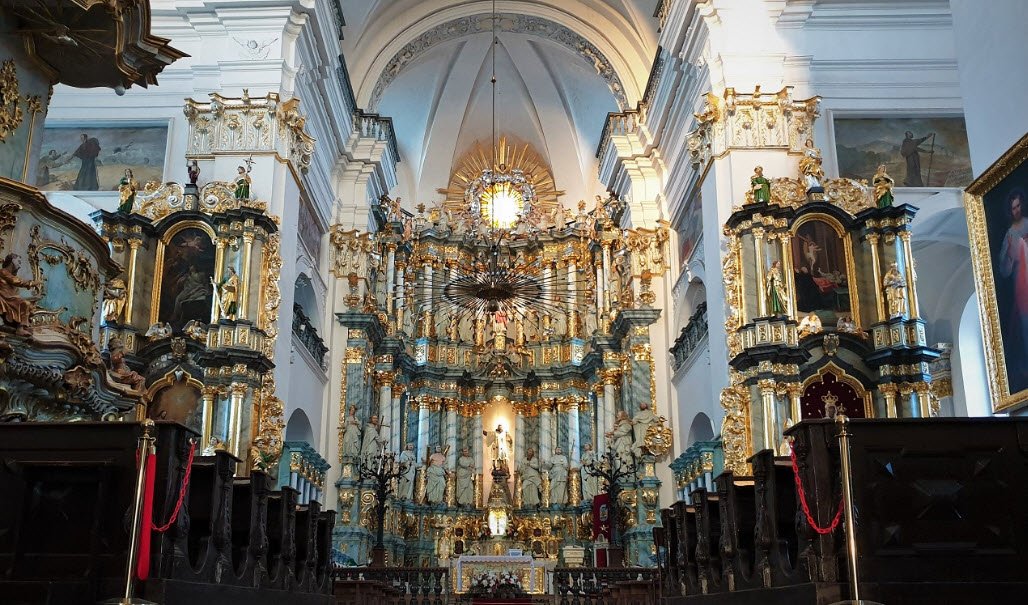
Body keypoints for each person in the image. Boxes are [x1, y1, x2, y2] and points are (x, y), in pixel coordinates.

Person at [999, 188, 1028, 380]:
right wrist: (1010, 254)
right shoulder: (1009, 235)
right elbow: (1004, 270)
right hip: (1021, 284)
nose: (1016, 211)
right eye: (1013, 208)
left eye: (1018, 206)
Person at [0, 254, 38, 336]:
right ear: (13, 261)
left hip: (11, 298)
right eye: (19, 262)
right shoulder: (3, 271)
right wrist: (31, 283)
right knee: (25, 303)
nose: (20, 266)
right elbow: (15, 281)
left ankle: (24, 326)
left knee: (31, 307)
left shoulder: (11, 274)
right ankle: (20, 329)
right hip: (6, 298)